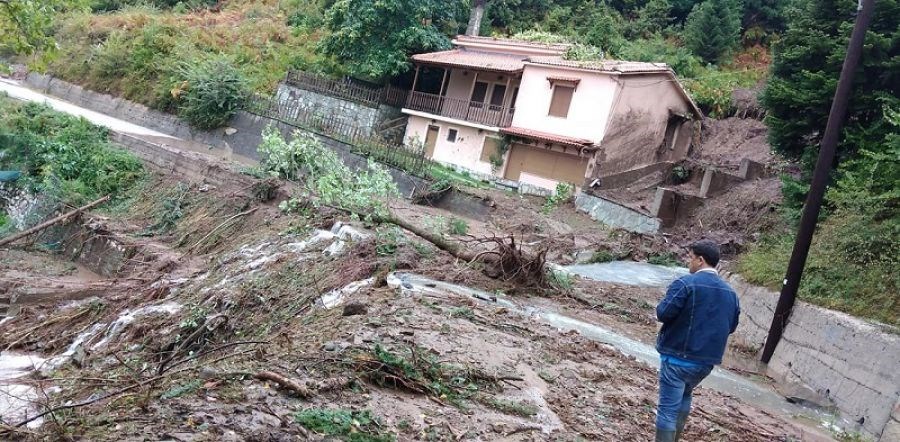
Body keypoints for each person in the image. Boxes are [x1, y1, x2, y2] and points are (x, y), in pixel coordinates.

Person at [654, 240, 740, 442]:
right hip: (705, 362)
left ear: (700, 260)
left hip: (678, 357)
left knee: (667, 410)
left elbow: (663, 313)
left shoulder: (685, 283)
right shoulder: (731, 294)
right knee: (684, 396)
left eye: (690, 257)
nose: (688, 262)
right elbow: (731, 326)